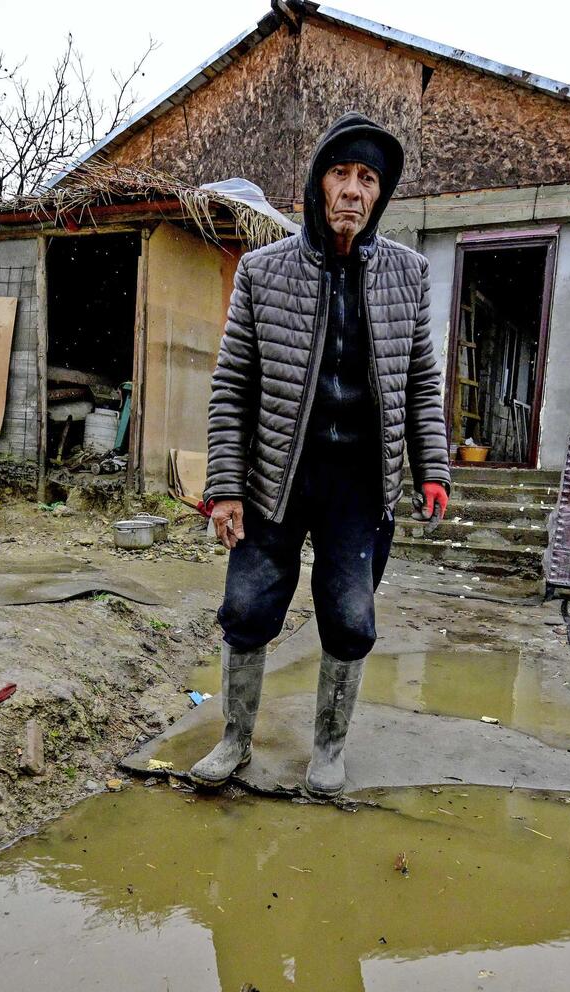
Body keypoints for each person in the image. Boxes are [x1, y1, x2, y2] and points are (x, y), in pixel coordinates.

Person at [194, 112, 450, 796]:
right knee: (247, 611)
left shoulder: (408, 274)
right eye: (341, 173)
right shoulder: (262, 271)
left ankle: (329, 751)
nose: (353, 191)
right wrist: (224, 486)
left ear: (380, 194)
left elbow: (422, 380)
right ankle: (234, 741)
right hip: (274, 478)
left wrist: (433, 470)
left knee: (350, 619)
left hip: (361, 487)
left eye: (368, 178)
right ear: (317, 182)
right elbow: (231, 388)